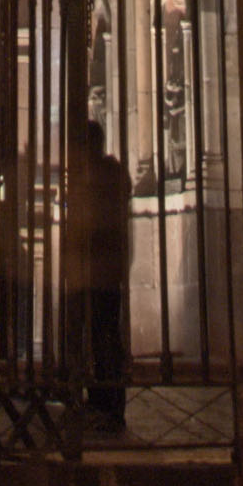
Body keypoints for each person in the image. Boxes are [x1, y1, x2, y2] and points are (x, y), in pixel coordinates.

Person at [75, 119, 133, 431]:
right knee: (101, 335)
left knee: (104, 336)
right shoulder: (112, 172)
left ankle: (108, 403)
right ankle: (103, 400)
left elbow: (93, 220)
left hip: (100, 267)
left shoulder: (101, 173)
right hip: (106, 266)